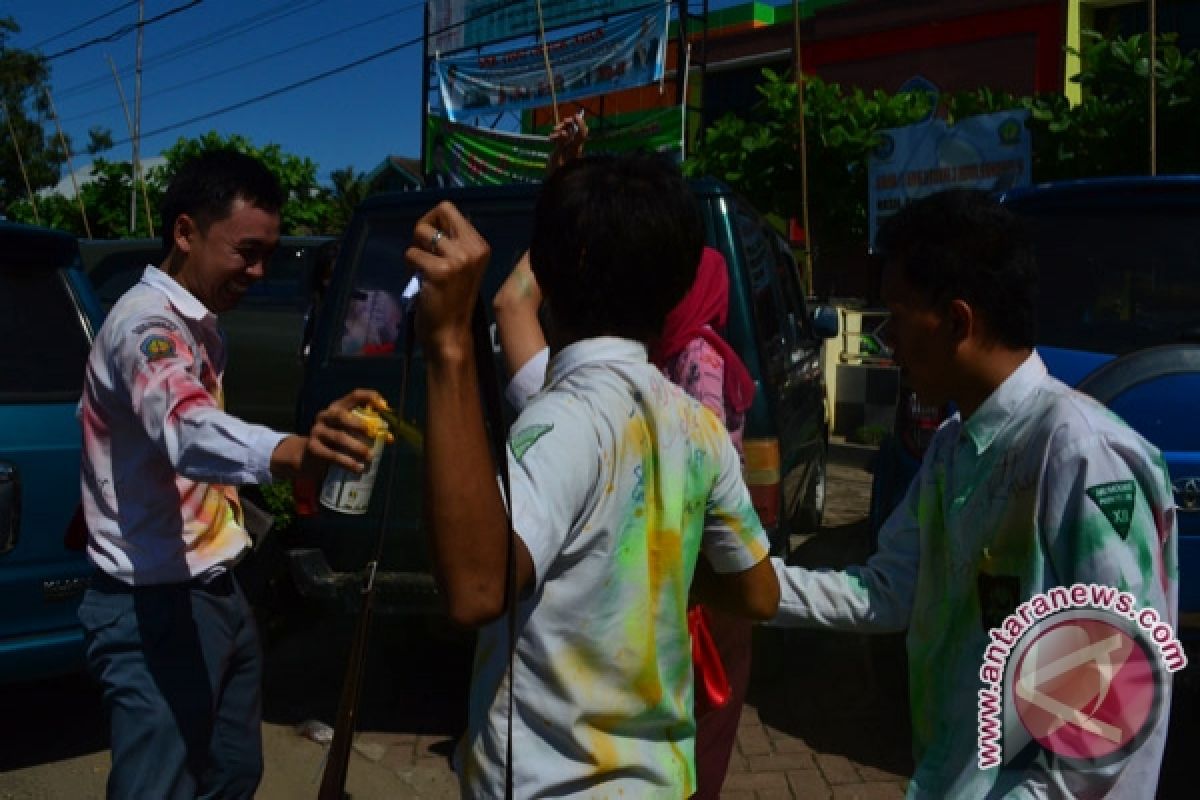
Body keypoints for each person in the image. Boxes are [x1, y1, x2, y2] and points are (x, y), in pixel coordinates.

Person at [769, 190, 1178, 798]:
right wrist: (758, 583)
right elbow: (888, 589)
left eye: (898, 316)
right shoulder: (954, 449)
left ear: (958, 321)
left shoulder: (1079, 456)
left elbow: (1114, 697)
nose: (888, 344)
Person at [405, 153, 780, 797]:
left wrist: (447, 345)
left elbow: (473, 589)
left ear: (550, 269)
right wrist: (657, 569)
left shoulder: (563, 422)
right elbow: (758, 595)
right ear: (682, 280)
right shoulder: (698, 426)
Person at [77, 149, 387, 799]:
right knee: (158, 785)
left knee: (233, 771)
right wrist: (295, 451)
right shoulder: (146, 329)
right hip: (153, 604)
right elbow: (186, 428)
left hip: (217, 589)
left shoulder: (202, 327)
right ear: (185, 232)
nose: (259, 271)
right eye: (245, 251)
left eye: (267, 253)